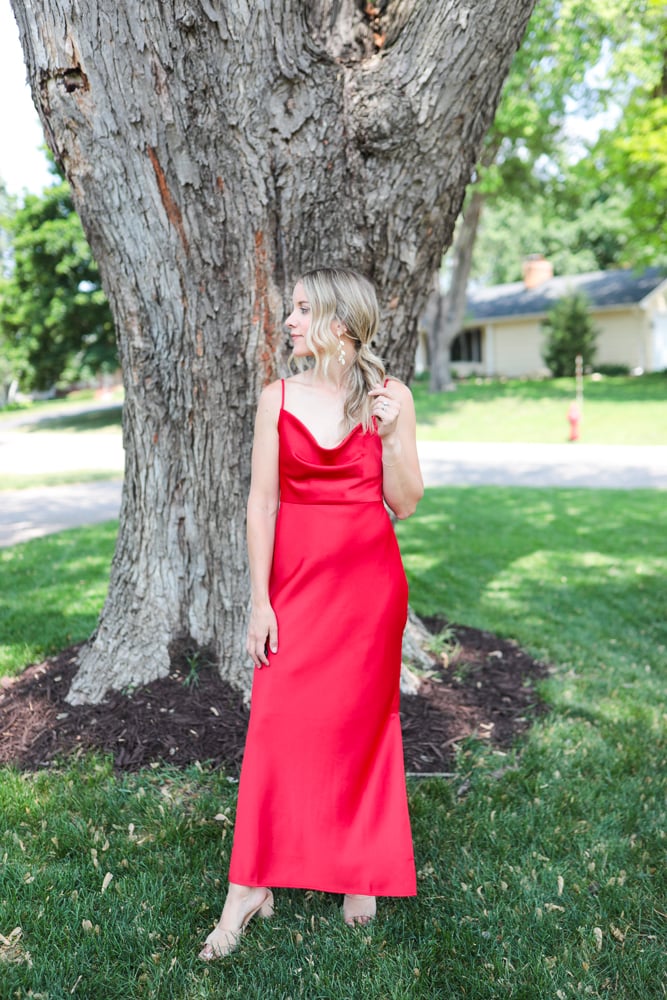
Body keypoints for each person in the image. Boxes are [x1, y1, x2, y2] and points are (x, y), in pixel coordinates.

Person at [199, 265, 424, 960]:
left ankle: (361, 871)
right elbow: (261, 503)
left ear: (338, 322)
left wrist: (390, 435)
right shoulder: (277, 396)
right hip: (295, 585)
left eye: (301, 310)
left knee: (362, 726)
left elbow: (407, 502)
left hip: (367, 587)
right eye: (290, 308)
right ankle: (249, 887)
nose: (288, 321)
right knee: (276, 722)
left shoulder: (390, 396)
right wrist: (259, 599)